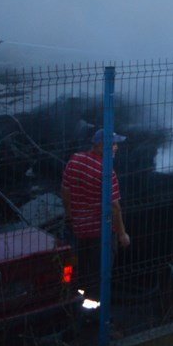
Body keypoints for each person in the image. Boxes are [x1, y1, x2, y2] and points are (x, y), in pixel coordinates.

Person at [61, 128, 132, 310]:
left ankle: (74, 304)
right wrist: (122, 234)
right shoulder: (107, 173)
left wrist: (71, 215)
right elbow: (115, 207)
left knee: (78, 270)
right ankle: (93, 315)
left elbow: (65, 191)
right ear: (101, 146)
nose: (116, 148)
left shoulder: (74, 160)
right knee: (100, 274)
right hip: (100, 233)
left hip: (77, 228)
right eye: (113, 144)